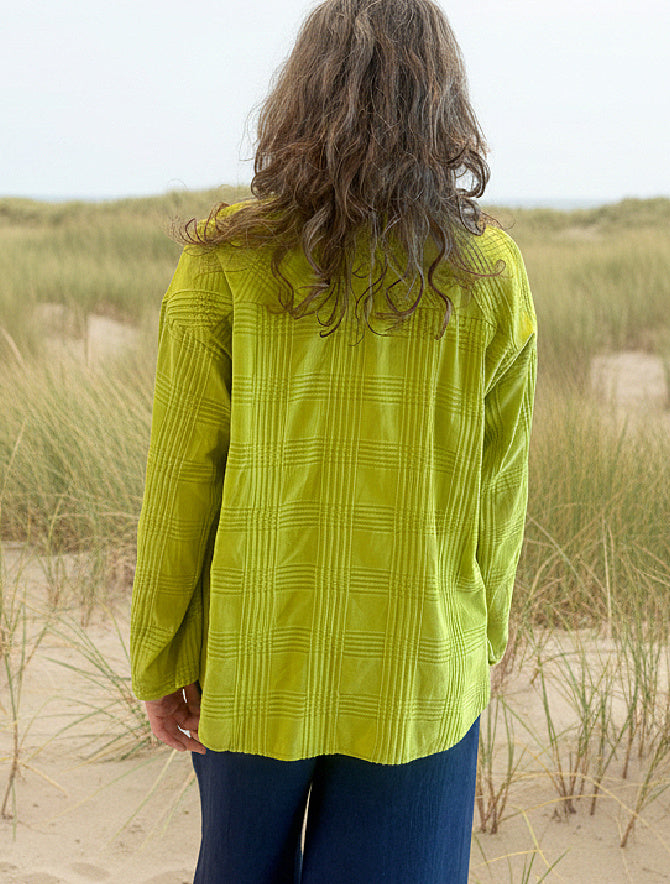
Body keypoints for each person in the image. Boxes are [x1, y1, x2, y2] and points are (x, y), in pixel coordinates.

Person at [129, 0, 537, 881]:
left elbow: (181, 480)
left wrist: (161, 655)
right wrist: (484, 638)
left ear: (298, 97)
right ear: (442, 101)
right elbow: (501, 490)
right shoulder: (489, 275)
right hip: (418, 664)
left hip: (256, 656)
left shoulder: (222, 263)